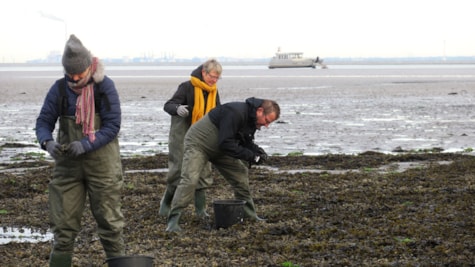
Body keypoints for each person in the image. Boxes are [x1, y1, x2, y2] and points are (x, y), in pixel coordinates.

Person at [35, 34, 124, 266]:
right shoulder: (59, 89)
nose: (75, 79)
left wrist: (85, 144)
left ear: (89, 67)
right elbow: (44, 121)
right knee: (63, 227)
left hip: (102, 165)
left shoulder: (105, 87)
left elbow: (113, 126)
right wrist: (47, 142)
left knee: (110, 223)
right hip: (68, 167)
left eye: (79, 74)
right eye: (70, 74)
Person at [166, 97, 281, 232]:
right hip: (198, 144)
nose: (266, 125)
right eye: (267, 121)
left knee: (240, 174)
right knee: (190, 180)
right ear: (260, 111)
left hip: (221, 149)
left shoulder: (252, 120)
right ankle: (173, 220)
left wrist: (257, 152)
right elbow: (226, 142)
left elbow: (244, 140)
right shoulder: (235, 112)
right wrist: (251, 156)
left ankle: (249, 214)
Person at [159, 59, 222, 218]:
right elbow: (168, 105)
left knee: (202, 169)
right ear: (204, 73)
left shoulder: (213, 91)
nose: (214, 81)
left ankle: (201, 210)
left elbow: (218, 112)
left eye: (217, 78)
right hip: (182, 135)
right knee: (179, 170)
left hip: (203, 136)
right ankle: (165, 204)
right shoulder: (187, 86)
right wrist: (177, 108)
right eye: (212, 77)